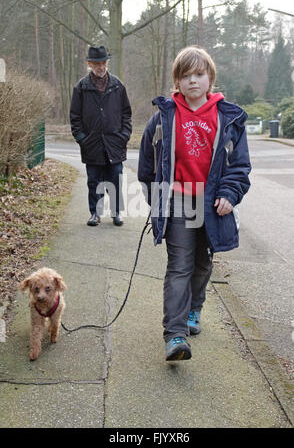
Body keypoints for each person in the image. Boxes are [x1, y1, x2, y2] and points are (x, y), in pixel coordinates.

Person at [138, 46, 251, 361]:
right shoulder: (164, 117)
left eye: (199, 74)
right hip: (178, 203)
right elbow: (147, 164)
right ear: (177, 80)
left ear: (210, 78)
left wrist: (229, 194)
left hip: (212, 205)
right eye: (185, 75)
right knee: (179, 267)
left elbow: (239, 166)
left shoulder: (228, 119)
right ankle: (175, 336)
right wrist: (157, 198)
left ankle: (194, 309)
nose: (192, 81)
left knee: (203, 264)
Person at [70, 45, 132, 226]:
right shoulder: (81, 87)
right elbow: (75, 117)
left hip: (115, 143)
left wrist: (124, 135)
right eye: (97, 63)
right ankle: (95, 214)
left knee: (115, 179)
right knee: (94, 181)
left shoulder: (118, 86)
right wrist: (82, 139)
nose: (101, 66)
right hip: (92, 144)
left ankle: (116, 213)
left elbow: (126, 114)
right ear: (90, 64)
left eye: (103, 62)